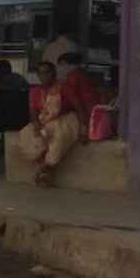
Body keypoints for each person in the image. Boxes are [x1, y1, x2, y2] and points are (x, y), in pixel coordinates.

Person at [16, 54, 101, 186]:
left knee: (59, 136)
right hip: (44, 120)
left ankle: (46, 168)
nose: (45, 76)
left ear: (54, 73)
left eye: (47, 72)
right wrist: (36, 123)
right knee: (28, 135)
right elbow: (33, 111)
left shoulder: (64, 88)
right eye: (41, 73)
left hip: (66, 119)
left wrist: (84, 129)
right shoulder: (35, 91)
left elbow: (78, 107)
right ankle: (45, 170)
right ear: (38, 75)